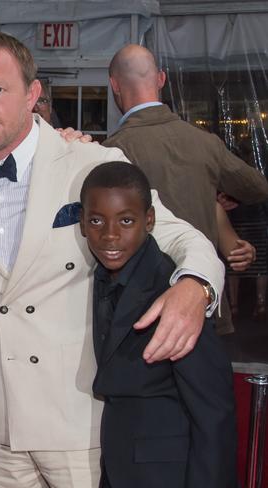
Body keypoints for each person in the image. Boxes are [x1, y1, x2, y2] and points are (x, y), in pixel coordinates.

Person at [0, 32, 224, 487]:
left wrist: (196, 287)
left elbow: (181, 236)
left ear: (32, 94)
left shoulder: (89, 161)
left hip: (78, 417)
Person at [79, 161, 237, 488]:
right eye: (96, 220)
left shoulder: (174, 294)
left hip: (168, 474)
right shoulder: (98, 277)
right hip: (118, 466)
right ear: (82, 223)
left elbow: (213, 413)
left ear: (149, 220)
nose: (109, 235)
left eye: (126, 221)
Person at [103, 44, 268, 333]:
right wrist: (227, 196)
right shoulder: (205, 143)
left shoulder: (113, 151)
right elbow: (257, 187)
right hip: (204, 299)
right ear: (161, 79)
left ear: (114, 84)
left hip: (144, 306)